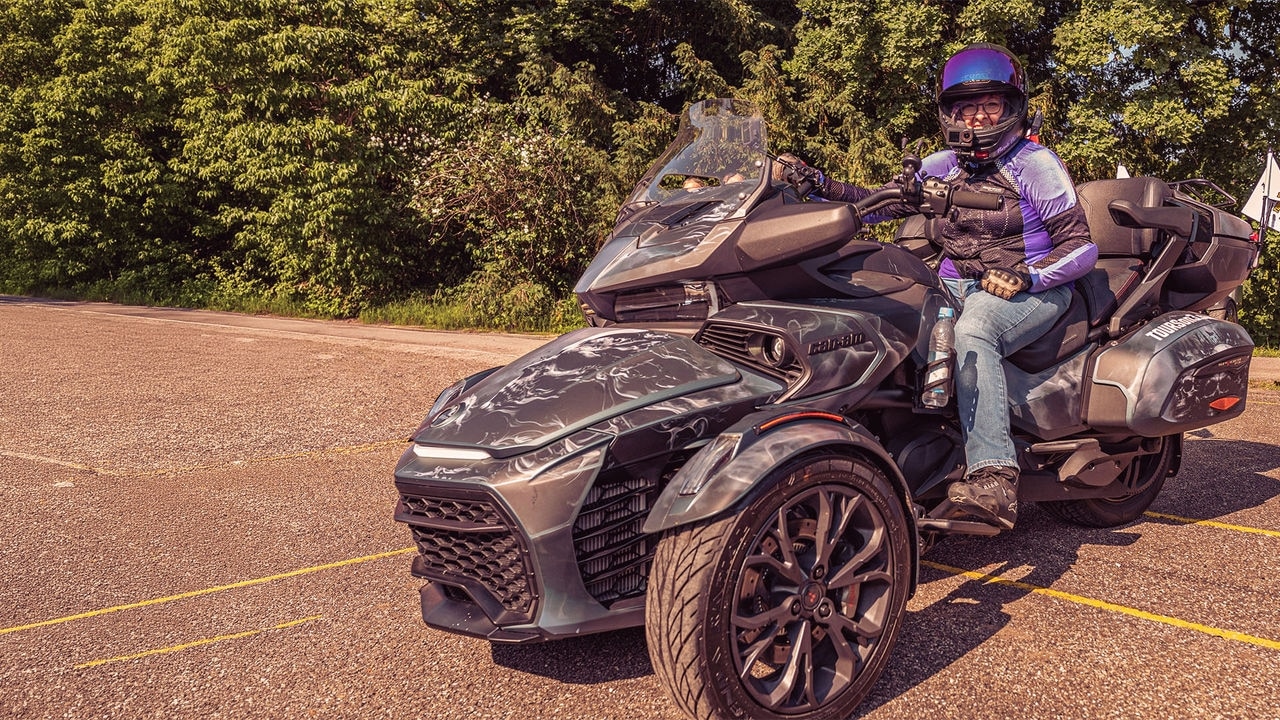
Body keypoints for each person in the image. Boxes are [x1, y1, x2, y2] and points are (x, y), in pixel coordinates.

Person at [778, 43, 1097, 529]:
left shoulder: (1035, 163)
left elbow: (1080, 246)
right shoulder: (944, 164)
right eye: (966, 108)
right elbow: (881, 202)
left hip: (1033, 291)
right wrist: (818, 182)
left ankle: (996, 476)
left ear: (1012, 107)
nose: (977, 119)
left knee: (973, 332)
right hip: (955, 286)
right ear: (950, 113)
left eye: (990, 105)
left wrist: (1028, 274)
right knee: (882, 314)